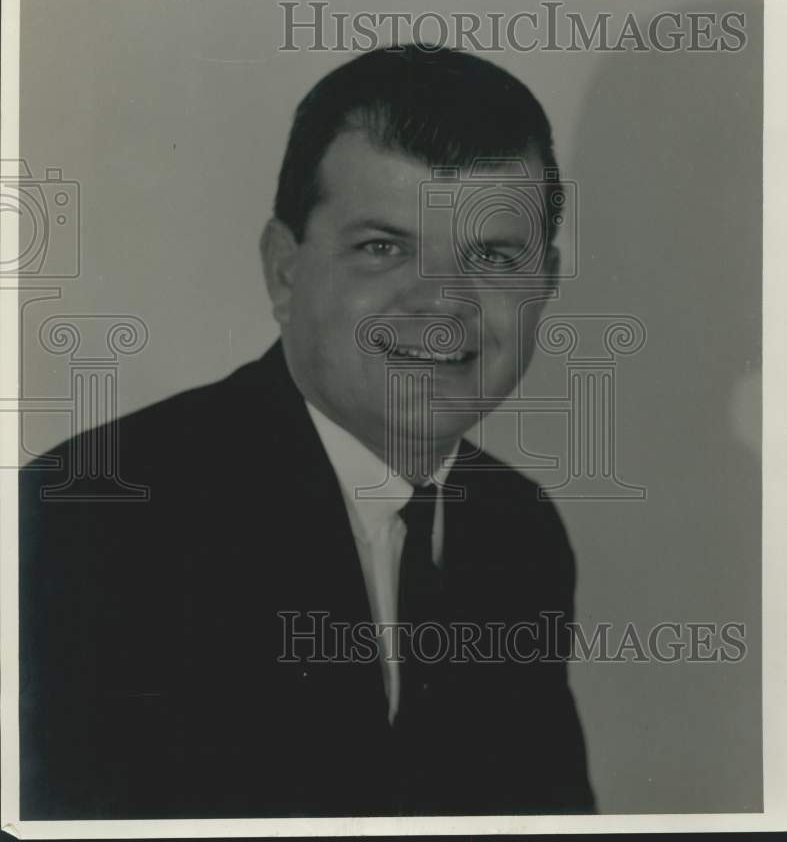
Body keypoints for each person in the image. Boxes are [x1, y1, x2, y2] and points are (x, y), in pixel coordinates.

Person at [19, 45, 595, 819]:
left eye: (490, 256)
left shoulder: (517, 530)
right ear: (284, 271)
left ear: (545, 282)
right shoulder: (87, 518)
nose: (442, 305)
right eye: (383, 248)